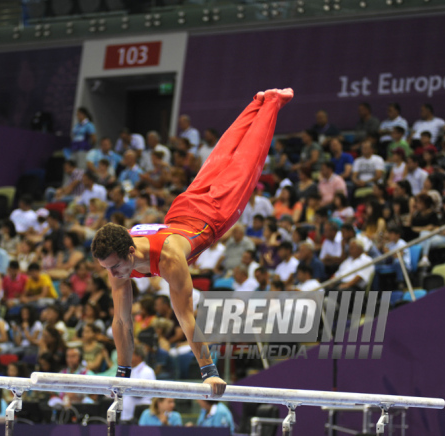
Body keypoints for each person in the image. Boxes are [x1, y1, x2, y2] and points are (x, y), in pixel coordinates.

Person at [90, 89, 293, 397]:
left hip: (214, 215)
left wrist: (208, 373)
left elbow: (186, 317)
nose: (114, 274)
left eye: (116, 267)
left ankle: (273, 102)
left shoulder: (170, 258)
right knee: (221, 154)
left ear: (131, 251)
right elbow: (122, 320)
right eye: (108, 268)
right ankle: (255, 102)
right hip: (183, 209)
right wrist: (123, 374)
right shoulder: (117, 259)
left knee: (247, 159)